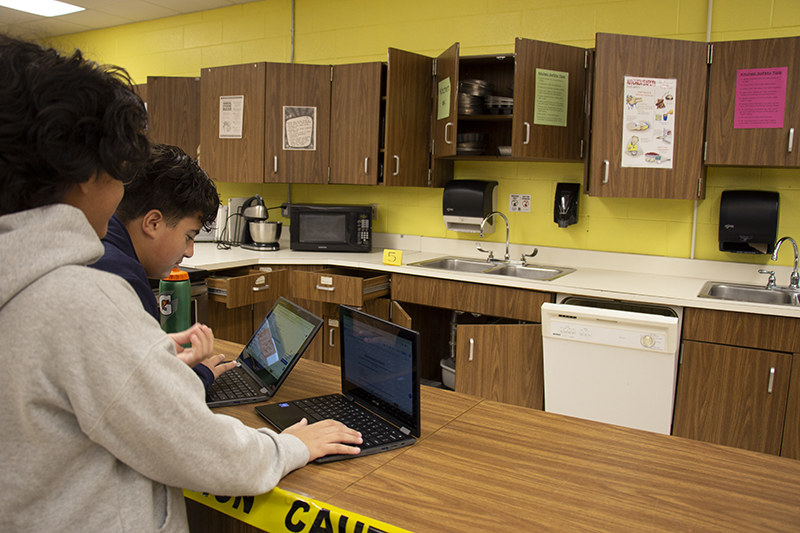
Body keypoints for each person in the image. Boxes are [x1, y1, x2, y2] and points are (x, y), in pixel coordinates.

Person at [0, 34, 362, 533]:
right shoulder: (77, 297)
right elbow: (195, 446)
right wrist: (293, 446)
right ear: (84, 170)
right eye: (120, 171)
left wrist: (142, 356)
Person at [89, 142, 235, 389]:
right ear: (153, 223)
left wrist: (160, 354)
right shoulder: (124, 280)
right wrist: (198, 378)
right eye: (189, 236)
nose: (189, 252)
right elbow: (148, 398)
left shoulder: (98, 244)